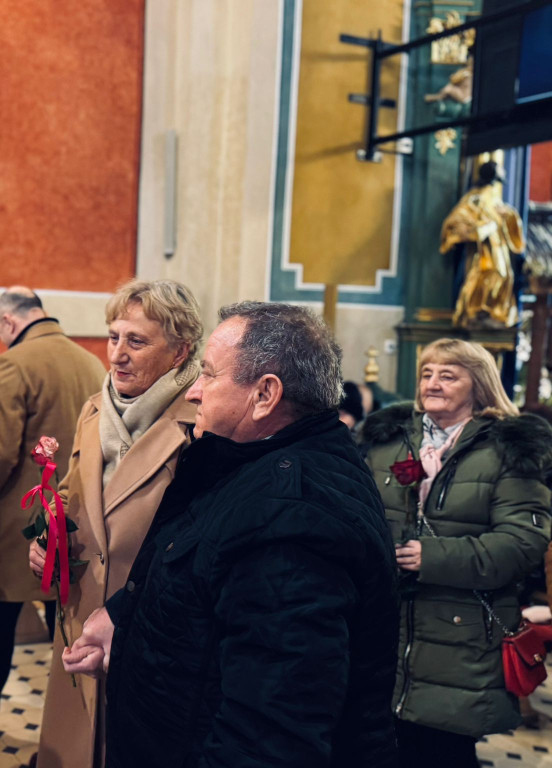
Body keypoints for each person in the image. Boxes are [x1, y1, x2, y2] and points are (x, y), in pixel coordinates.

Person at [65, 301, 399, 768]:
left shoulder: (292, 517)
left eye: (209, 374)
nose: (195, 391)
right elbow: (200, 574)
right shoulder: (245, 461)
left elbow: (271, 730)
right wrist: (126, 616)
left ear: (265, 395)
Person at [29, 279, 204, 768]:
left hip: (147, 622)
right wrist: (48, 537)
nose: (118, 354)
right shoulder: (94, 408)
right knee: (75, 743)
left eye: (137, 341)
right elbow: (69, 495)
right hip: (80, 610)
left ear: (179, 352)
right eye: (113, 337)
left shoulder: (202, 423)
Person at [361, 338, 552, 768]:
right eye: (427, 374)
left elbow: (523, 542)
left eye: (448, 375)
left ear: (478, 385)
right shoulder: (388, 441)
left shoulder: (506, 450)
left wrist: (433, 557)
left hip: (460, 632)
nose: (433, 383)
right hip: (389, 625)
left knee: (443, 751)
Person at [0, 287, 106, 744]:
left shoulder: (14, 362)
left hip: (23, 520)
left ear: (9, 324)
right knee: (65, 627)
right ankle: (68, 732)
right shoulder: (90, 362)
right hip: (73, 516)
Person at [441, 161, 524, 328]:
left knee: (505, 275)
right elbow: (457, 220)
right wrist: (483, 227)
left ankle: (493, 312)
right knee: (492, 274)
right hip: (484, 249)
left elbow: (507, 223)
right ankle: (478, 310)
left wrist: (507, 216)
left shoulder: (494, 196)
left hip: (497, 245)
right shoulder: (474, 197)